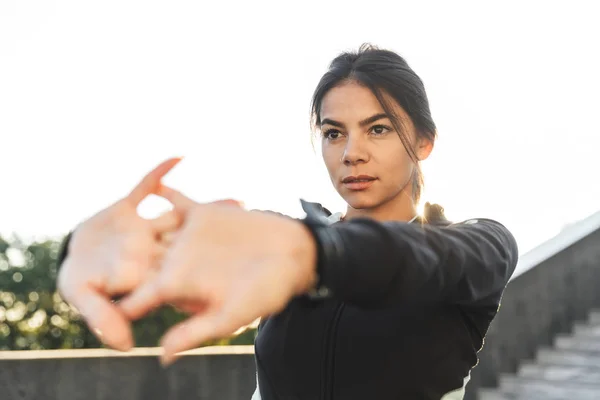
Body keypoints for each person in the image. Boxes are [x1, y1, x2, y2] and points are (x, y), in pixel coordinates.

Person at [56, 44, 518, 400]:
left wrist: (315, 256)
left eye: (378, 128)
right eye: (333, 133)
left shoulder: (477, 245)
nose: (351, 152)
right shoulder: (283, 237)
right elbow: (158, 252)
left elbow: (413, 258)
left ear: (423, 142)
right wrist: (95, 252)